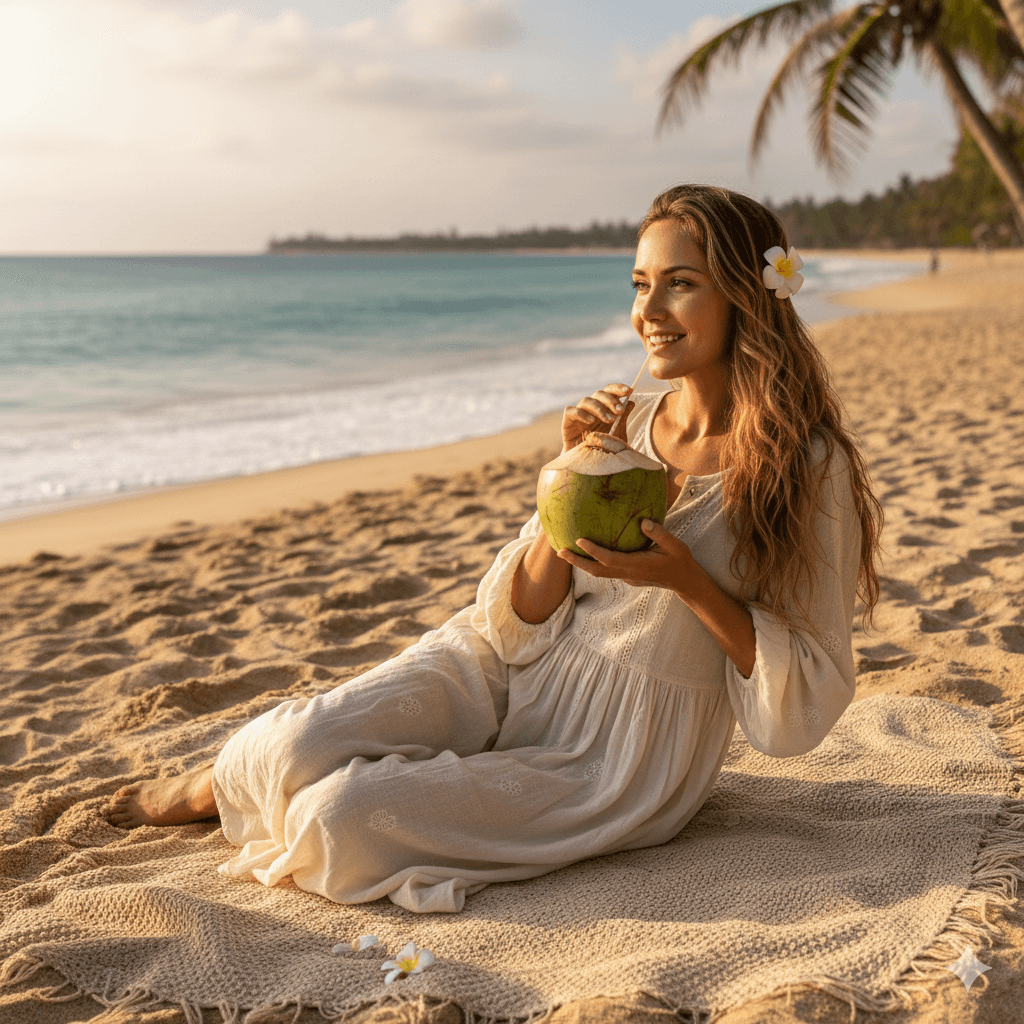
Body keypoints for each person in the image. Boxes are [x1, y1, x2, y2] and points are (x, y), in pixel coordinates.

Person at [106, 185, 883, 915]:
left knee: (338, 819)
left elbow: (806, 694)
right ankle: (216, 786)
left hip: (615, 753)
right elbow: (522, 618)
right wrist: (570, 476)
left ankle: (312, 791)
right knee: (292, 744)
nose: (649, 310)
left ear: (747, 296)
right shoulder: (625, 421)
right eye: (639, 283)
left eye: (680, 283)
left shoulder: (804, 466)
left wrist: (690, 584)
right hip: (506, 670)